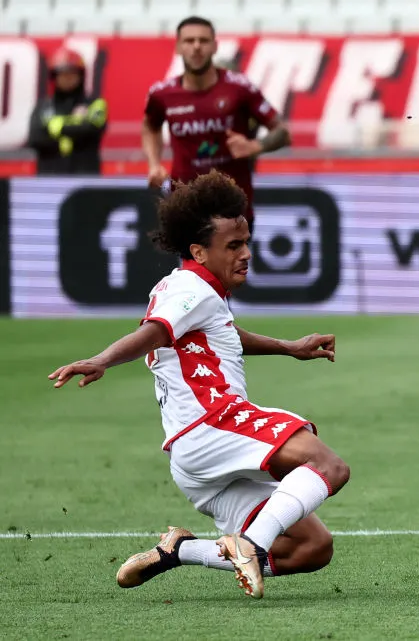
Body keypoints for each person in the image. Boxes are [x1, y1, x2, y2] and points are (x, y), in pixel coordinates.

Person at [48, 171, 349, 599]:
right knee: (328, 466)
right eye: (233, 246)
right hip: (212, 424)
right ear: (198, 251)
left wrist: (288, 347)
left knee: (311, 547)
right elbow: (154, 332)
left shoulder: (193, 289)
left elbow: (222, 334)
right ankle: (250, 544)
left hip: (192, 458)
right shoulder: (192, 289)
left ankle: (179, 551)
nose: (246, 253)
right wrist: (101, 360)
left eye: (246, 242)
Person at [142, 16, 291, 230]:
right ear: (178, 47)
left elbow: (283, 131)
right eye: (189, 41)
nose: (196, 47)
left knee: (232, 252)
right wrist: (154, 164)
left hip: (233, 210)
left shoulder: (240, 88)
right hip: (185, 208)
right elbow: (150, 126)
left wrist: (256, 146)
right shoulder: (162, 94)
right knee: (188, 253)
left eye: (203, 40)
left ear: (215, 46)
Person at [27, 47, 108, 175]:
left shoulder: (95, 104)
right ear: (54, 77)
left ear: (81, 76)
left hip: (85, 177)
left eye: (72, 73)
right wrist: (70, 133)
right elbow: (34, 138)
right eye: (62, 74)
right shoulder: (43, 106)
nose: (67, 78)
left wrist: (59, 127)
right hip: (49, 177)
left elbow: (94, 128)